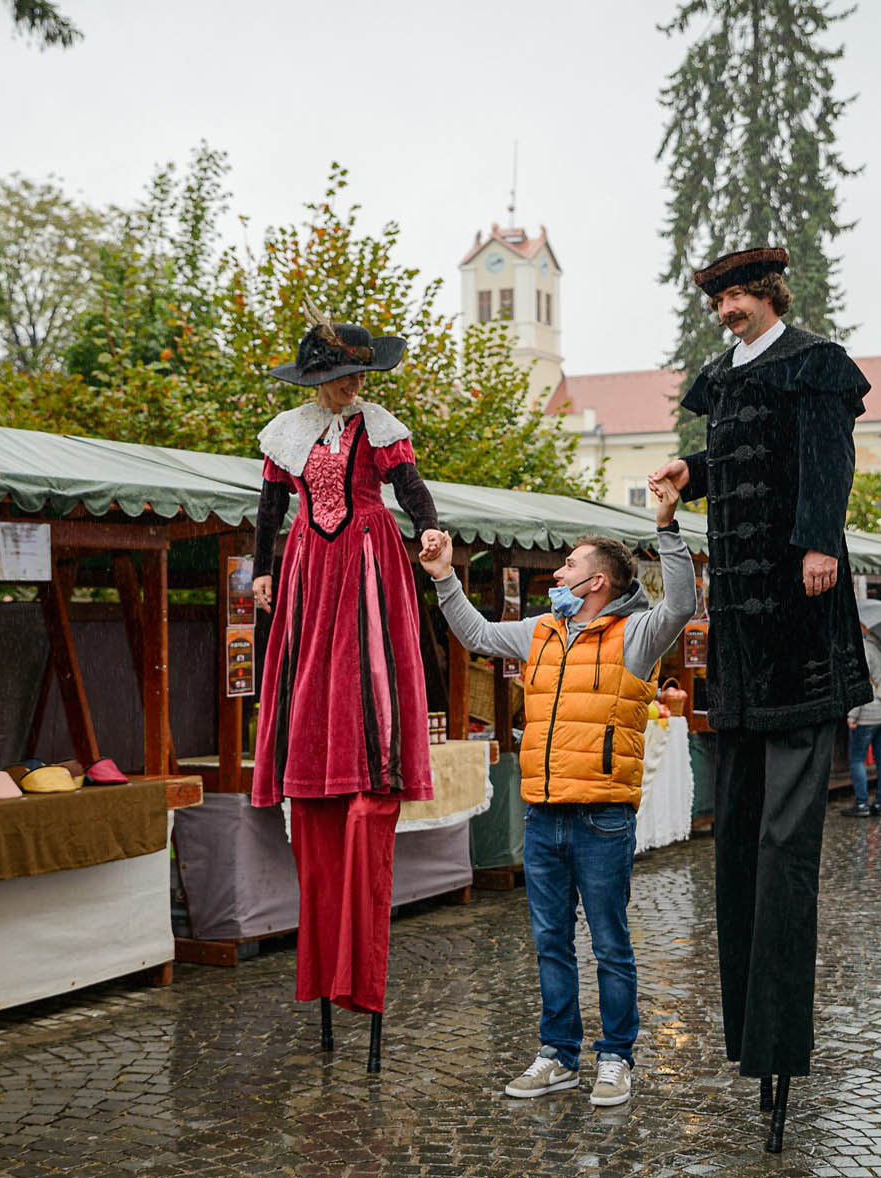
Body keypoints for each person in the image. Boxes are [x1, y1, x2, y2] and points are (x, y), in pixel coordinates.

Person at [648, 245, 871, 1154]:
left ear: (770, 296)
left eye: (739, 296)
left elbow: (825, 458)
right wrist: (687, 476)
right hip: (738, 636)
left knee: (785, 842)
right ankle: (750, 1041)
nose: (727, 310)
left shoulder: (813, 363)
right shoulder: (728, 378)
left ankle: (783, 1044)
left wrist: (819, 541)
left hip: (800, 621)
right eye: (718, 299)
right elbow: (737, 459)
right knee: (735, 836)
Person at [421, 485, 693, 1109]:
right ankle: (557, 1055)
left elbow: (681, 603)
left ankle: (616, 1058)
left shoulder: (637, 635)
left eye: (569, 564)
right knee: (550, 940)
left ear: (597, 580)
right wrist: (443, 579)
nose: (559, 572)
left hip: (602, 816)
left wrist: (667, 528)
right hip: (543, 812)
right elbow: (479, 634)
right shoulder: (540, 632)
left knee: (609, 942)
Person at [250, 312, 447, 1066]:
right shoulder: (287, 435)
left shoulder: (381, 428)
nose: (351, 389)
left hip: (366, 551)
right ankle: (311, 751)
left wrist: (428, 529)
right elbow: (270, 509)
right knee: (309, 663)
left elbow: (411, 488)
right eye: (340, 380)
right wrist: (263, 568)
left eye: (358, 378)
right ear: (316, 384)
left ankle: (368, 746)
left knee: (366, 659)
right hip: (307, 560)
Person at [845, 626, 881, 818]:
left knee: (857, 759)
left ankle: (861, 803)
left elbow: (860, 683)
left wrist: (852, 715)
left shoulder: (866, 649)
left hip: (869, 713)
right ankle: (880, 803)